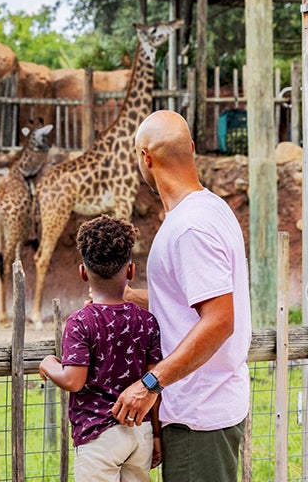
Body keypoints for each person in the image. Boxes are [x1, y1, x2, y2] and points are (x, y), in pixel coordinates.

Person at [111, 110, 252, 481]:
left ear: (145, 158)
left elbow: (219, 320)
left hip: (198, 415)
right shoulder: (212, 208)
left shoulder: (190, 228)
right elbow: (188, 301)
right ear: (190, 147)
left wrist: (150, 384)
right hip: (206, 406)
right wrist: (129, 297)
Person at [39, 214, 163, 482]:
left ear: (83, 272)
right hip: (139, 432)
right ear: (130, 271)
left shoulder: (80, 322)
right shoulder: (147, 321)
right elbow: (155, 383)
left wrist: (49, 363)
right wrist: (156, 434)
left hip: (98, 437)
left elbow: (73, 380)